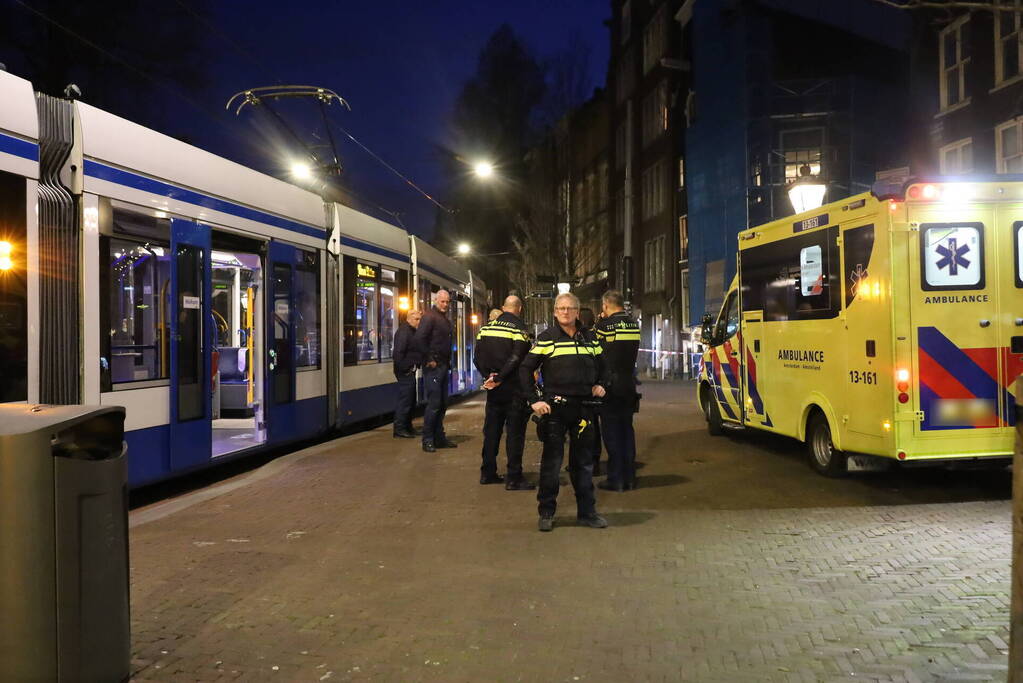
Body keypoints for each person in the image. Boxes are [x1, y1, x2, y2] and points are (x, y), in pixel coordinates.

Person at [519, 292, 609, 532]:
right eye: (561, 308)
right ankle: (546, 512)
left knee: (584, 464)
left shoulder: (590, 338)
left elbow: (605, 367)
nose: (565, 312)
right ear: (555, 312)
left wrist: (602, 384)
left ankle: (587, 513)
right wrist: (533, 401)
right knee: (552, 463)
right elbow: (525, 369)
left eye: (570, 308)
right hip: (555, 410)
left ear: (578, 312)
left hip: (584, 409)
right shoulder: (547, 338)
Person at [473, 295, 535, 490]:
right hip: (514, 388)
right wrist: (500, 377)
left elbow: (477, 358)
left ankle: (487, 473)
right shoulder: (519, 329)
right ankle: (514, 477)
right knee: (515, 434)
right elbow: (518, 358)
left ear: (503, 307)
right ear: (519, 308)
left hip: (494, 391)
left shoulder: (485, 329)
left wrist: (489, 377)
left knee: (491, 432)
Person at [595, 289, 641, 492]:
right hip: (628, 384)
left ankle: (615, 479)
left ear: (605, 305)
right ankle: (630, 477)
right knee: (627, 431)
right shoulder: (634, 324)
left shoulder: (604, 326)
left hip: (610, 386)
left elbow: (598, 354)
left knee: (612, 433)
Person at [413, 289, 457, 452]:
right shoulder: (430, 317)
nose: (445, 304)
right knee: (434, 403)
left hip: (442, 365)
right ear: (436, 300)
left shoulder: (441, 318)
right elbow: (419, 339)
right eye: (442, 301)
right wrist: (429, 359)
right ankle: (428, 439)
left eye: (447, 302)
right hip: (435, 366)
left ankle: (439, 437)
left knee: (442, 403)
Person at [577, 307, 604, 477]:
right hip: (593, 388)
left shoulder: (577, 336)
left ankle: (581, 462)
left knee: (578, 427)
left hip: (579, 389)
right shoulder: (596, 336)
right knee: (593, 426)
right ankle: (594, 462)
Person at [392, 309, 423, 438]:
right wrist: (406, 368)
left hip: (409, 370)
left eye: (420, 319)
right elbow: (398, 353)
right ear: (409, 319)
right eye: (416, 319)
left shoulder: (410, 331)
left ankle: (408, 427)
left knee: (410, 399)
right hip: (405, 372)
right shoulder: (404, 332)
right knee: (405, 400)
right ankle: (399, 429)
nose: (419, 322)